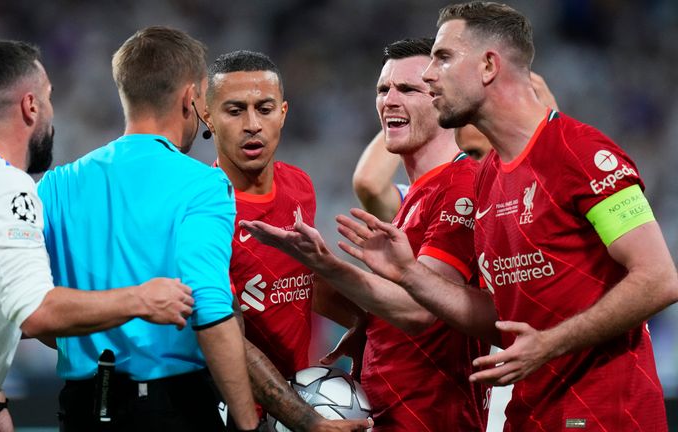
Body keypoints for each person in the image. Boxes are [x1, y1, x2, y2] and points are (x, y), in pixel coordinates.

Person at [334, 2, 678, 431]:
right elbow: (501, 315)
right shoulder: (487, 178)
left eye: (443, 58)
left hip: (608, 414)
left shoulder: (581, 153)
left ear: (488, 66)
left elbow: (659, 279)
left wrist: (549, 344)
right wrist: (409, 276)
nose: (428, 75)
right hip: (528, 414)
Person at [0, 40, 193, 432]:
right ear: (30, 106)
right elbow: (37, 313)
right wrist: (142, 298)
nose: (51, 113)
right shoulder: (5, 184)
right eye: (48, 98)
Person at [241, 38, 488, 431]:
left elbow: (420, 311)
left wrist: (323, 264)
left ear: (445, 100)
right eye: (382, 89)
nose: (389, 99)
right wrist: (368, 324)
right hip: (393, 413)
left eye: (407, 89)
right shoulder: (421, 194)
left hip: (431, 419)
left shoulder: (459, 186)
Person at [36, 27, 258, 431]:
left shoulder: (56, 185)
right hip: (171, 407)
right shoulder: (204, 185)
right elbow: (209, 308)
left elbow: (36, 311)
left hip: (81, 408)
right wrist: (247, 424)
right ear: (190, 98)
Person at [204, 50, 371, 432]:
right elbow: (221, 331)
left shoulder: (299, 186)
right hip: (233, 412)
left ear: (283, 112)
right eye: (235, 110)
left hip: (300, 396)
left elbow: (302, 280)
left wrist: (361, 323)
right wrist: (304, 419)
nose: (252, 125)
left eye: (264, 109)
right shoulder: (204, 210)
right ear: (208, 118)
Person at [353, 72, 557, 222]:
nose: (486, 166)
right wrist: (414, 111)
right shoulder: (437, 203)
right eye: (471, 153)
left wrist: (550, 124)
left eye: (499, 152)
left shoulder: (539, 200)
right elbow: (370, 183)